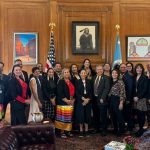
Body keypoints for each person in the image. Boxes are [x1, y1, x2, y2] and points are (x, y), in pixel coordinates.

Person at [55, 68, 75, 138]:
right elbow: (60, 93)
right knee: (62, 118)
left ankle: (68, 131)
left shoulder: (71, 81)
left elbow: (74, 92)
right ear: (63, 74)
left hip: (71, 102)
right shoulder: (61, 81)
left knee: (69, 118)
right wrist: (67, 101)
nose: (67, 73)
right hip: (62, 102)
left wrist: (72, 100)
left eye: (68, 72)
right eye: (65, 72)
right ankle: (62, 132)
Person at [92, 65, 110, 136]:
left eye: (101, 69)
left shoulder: (106, 78)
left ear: (103, 70)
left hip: (102, 99)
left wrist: (103, 97)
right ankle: (96, 128)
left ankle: (104, 130)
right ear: (96, 70)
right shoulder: (93, 78)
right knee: (95, 115)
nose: (99, 70)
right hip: (94, 99)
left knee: (103, 116)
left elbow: (106, 88)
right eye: (98, 69)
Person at [75, 69, 92, 137]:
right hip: (80, 101)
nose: (83, 74)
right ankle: (81, 130)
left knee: (87, 115)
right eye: (82, 73)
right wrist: (83, 99)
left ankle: (87, 130)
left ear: (86, 74)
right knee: (81, 116)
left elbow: (91, 92)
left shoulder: (89, 81)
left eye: (84, 73)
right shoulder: (77, 82)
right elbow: (76, 92)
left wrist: (87, 99)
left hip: (88, 101)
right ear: (80, 74)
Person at [108, 69, 126, 136]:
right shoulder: (111, 81)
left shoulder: (120, 82)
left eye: (116, 73)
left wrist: (121, 103)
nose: (114, 74)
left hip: (117, 100)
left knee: (119, 116)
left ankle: (121, 130)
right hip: (111, 100)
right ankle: (115, 129)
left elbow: (122, 93)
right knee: (113, 116)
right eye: (113, 73)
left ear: (118, 74)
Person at [133, 63, 148, 137]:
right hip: (134, 99)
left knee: (141, 115)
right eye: (137, 68)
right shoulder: (134, 77)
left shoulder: (145, 77)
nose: (139, 69)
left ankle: (141, 129)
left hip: (141, 99)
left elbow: (145, 89)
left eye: (140, 68)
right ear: (135, 69)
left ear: (142, 69)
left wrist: (138, 97)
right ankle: (139, 128)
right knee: (138, 114)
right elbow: (133, 88)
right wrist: (134, 96)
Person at [119, 63, 134, 132]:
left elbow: (130, 88)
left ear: (126, 68)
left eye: (124, 67)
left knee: (128, 114)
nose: (123, 68)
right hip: (121, 98)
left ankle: (130, 128)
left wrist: (128, 99)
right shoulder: (120, 75)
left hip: (127, 99)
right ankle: (124, 127)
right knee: (123, 113)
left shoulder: (129, 76)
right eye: (121, 67)